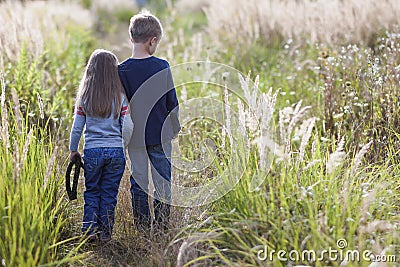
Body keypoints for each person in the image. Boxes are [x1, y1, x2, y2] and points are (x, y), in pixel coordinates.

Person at [118, 10, 180, 230]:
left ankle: (142, 227)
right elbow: (172, 101)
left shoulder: (121, 70)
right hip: (160, 134)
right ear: (153, 41)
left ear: (131, 38)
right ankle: (162, 227)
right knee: (163, 181)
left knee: (139, 182)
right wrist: (175, 127)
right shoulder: (162, 66)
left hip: (134, 137)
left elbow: (120, 106)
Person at [69, 49, 134, 242]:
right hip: (116, 152)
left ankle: (89, 232)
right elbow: (128, 126)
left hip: (92, 151)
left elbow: (76, 128)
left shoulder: (85, 98)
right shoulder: (120, 97)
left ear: (90, 71)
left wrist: (74, 149)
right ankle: (105, 234)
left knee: (92, 192)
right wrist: (123, 145)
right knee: (108, 194)